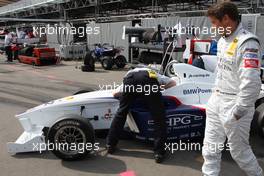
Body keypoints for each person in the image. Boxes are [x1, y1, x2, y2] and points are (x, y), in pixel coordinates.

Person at [202, 2, 263, 176]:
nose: (213, 27)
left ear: (226, 19)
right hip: (217, 99)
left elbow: (251, 83)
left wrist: (238, 112)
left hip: (235, 104)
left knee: (239, 152)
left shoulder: (247, 42)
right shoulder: (222, 41)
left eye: (215, 23)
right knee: (210, 148)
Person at [106, 67, 176, 163]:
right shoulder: (153, 73)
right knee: (158, 117)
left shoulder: (129, 73)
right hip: (149, 83)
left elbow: (115, 94)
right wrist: (159, 88)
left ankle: (110, 145)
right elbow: (173, 83)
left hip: (130, 82)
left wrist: (134, 95)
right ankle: (159, 153)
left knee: (121, 113)